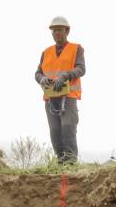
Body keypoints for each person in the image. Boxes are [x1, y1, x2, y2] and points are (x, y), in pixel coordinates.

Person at [35, 16, 86, 164]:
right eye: (54, 30)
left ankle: (70, 163)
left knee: (68, 129)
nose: (57, 33)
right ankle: (60, 162)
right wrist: (42, 79)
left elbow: (81, 69)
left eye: (60, 30)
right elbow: (37, 73)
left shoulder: (76, 49)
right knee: (55, 132)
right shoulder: (46, 52)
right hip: (51, 97)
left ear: (67, 31)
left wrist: (65, 75)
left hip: (68, 95)